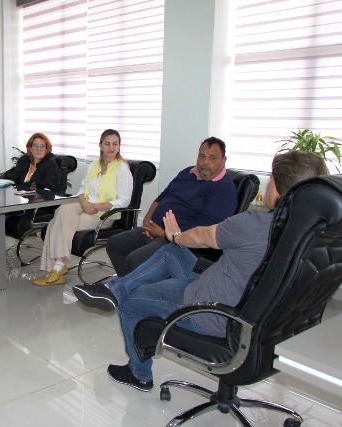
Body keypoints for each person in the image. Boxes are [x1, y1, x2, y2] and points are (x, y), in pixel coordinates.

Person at [72, 151, 328, 392]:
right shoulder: (323, 235)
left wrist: (175, 235)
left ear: (280, 190)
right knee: (171, 253)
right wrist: (175, 242)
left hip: (211, 309)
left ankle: (138, 373)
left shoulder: (256, 224)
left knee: (131, 301)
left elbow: (202, 236)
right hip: (256, 311)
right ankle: (113, 289)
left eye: (271, 178)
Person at [106, 137, 238, 277]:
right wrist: (148, 218)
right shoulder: (188, 172)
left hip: (178, 242)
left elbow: (207, 231)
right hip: (153, 229)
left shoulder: (224, 189)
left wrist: (165, 234)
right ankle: (129, 286)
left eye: (212, 158)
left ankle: (132, 288)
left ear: (223, 160)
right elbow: (162, 197)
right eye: (202, 156)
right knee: (115, 244)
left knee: (135, 260)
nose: (205, 162)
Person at [32, 129, 132, 286]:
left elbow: (124, 200)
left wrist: (97, 206)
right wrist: (84, 203)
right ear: (100, 145)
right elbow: (82, 189)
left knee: (56, 222)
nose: (111, 148)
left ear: (119, 146)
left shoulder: (122, 169)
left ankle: (57, 268)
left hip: (104, 214)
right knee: (63, 210)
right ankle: (58, 268)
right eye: (107, 144)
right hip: (85, 205)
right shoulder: (94, 165)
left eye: (115, 144)